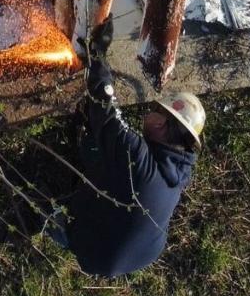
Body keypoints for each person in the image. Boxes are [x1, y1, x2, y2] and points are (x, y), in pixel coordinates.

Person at [47, 17, 204, 278]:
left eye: (157, 110)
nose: (150, 112)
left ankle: (61, 229)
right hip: (141, 255)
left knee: (41, 204)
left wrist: (97, 57)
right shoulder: (176, 171)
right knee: (99, 147)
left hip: (97, 254)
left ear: (165, 126)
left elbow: (107, 111)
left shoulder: (140, 163)